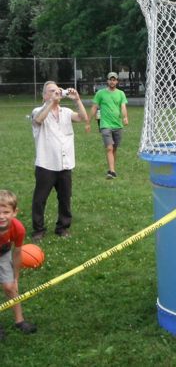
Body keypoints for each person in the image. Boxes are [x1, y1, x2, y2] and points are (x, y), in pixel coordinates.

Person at [31, 81, 88, 240]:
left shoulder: (66, 112)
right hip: (46, 164)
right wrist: (51, 103)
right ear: (44, 96)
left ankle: (62, 227)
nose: (56, 93)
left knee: (65, 198)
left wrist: (77, 99)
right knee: (40, 199)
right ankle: (38, 230)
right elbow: (38, 120)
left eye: (57, 90)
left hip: (65, 164)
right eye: (51, 91)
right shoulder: (38, 110)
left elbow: (83, 118)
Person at [0, 190, 38, 338]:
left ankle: (19, 320)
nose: (1, 216)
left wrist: (15, 278)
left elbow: (16, 254)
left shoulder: (18, 229)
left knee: (10, 287)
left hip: (3, 253)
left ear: (15, 212)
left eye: (6, 212)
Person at [87, 72, 129, 179]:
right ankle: (112, 171)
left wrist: (125, 117)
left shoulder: (121, 94)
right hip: (105, 124)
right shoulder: (100, 93)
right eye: (110, 79)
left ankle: (112, 167)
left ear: (117, 81)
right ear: (107, 81)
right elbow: (94, 107)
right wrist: (88, 122)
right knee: (109, 148)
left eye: (114, 80)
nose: (112, 81)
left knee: (114, 148)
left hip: (117, 125)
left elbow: (123, 106)